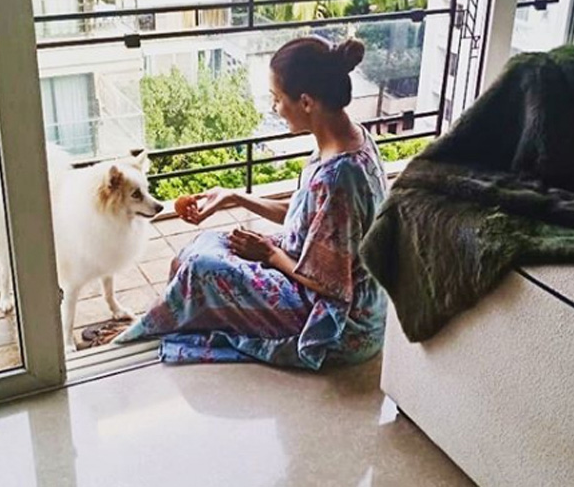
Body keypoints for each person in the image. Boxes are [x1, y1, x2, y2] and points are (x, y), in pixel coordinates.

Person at [114, 36, 388, 370]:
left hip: (339, 322)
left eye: (277, 99)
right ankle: (160, 321)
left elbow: (330, 284)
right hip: (325, 283)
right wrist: (235, 196)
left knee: (202, 268)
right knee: (208, 243)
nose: (274, 108)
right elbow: (307, 218)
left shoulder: (339, 175)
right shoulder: (349, 138)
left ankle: (134, 338)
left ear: (305, 102)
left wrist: (269, 254)